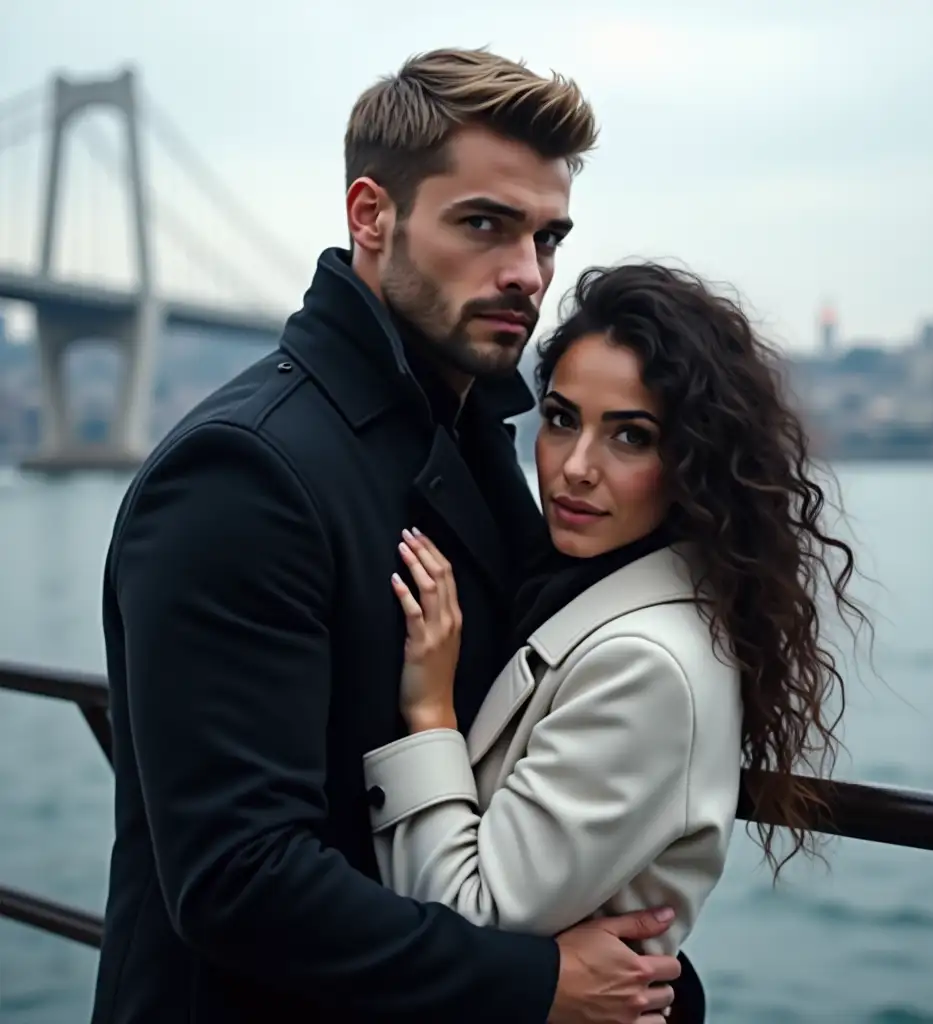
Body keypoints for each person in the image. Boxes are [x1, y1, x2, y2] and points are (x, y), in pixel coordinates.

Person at [89, 50, 685, 1024]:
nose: (526, 273)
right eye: (484, 225)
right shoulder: (242, 475)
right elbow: (238, 877)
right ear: (372, 216)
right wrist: (538, 987)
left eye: (547, 236)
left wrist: (646, 981)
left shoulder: (478, 442)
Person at [364, 262, 871, 1021]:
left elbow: (472, 919)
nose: (574, 469)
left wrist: (431, 711)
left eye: (630, 436)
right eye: (563, 419)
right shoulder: (579, 586)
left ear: (692, 463)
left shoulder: (648, 663)